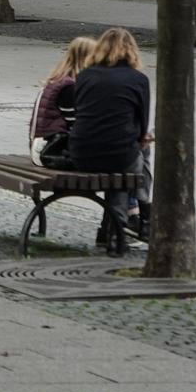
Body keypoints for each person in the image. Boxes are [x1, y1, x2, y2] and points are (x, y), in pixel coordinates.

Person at [66, 27, 153, 255]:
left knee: (128, 163)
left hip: (81, 152)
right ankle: (131, 224)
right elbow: (142, 126)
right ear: (132, 50)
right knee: (134, 163)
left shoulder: (85, 75)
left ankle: (119, 228)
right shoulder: (138, 79)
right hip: (119, 154)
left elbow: (80, 112)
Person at [28, 36, 95, 166]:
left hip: (42, 145)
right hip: (51, 151)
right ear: (86, 58)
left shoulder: (60, 80)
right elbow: (74, 125)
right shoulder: (69, 87)